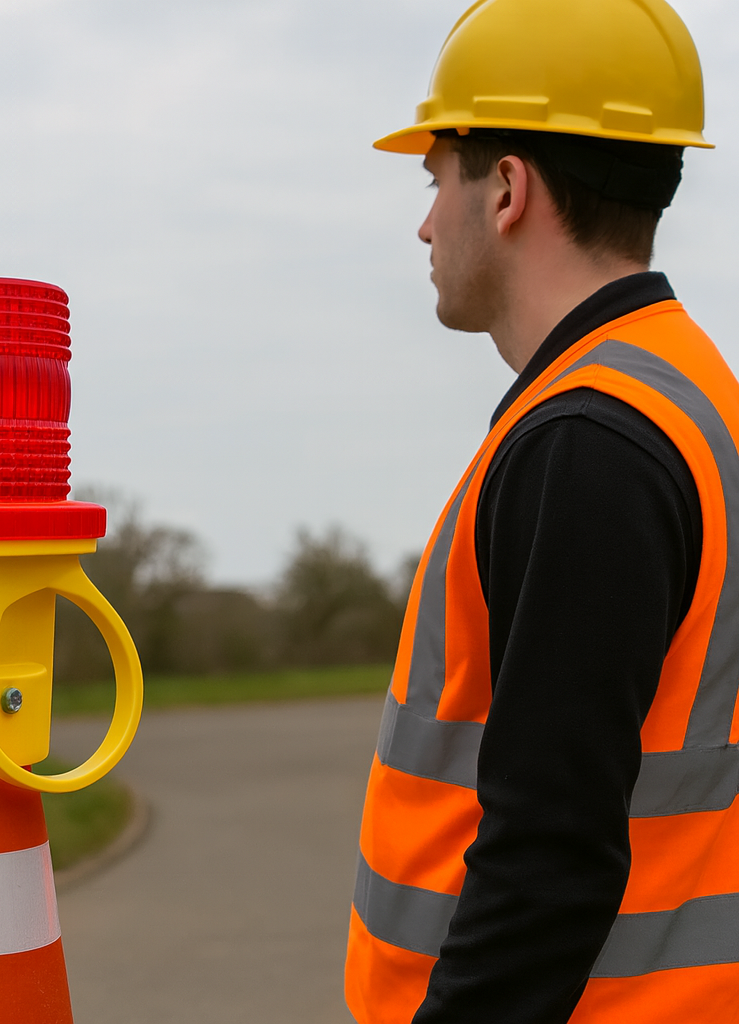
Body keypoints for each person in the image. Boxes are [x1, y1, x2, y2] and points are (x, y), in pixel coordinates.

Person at [345, 2, 739, 1022]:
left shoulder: (588, 443)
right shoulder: (691, 396)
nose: (427, 221)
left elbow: (548, 859)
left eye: (438, 178)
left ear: (508, 189)